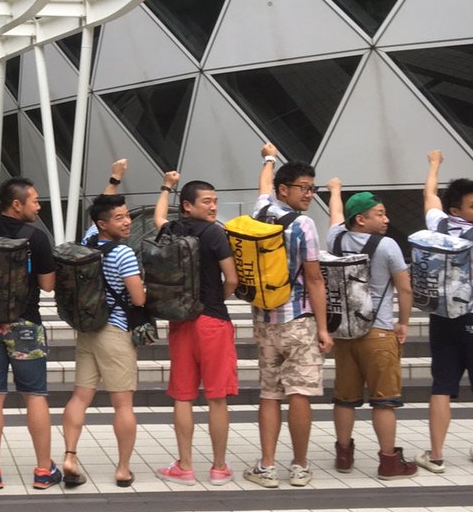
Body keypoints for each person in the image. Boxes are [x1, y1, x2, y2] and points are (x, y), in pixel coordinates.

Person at [0, 141, 61, 490]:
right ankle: (43, 471)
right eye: (34, 200)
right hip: (25, 324)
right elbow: (48, 286)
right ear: (17, 204)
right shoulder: (37, 238)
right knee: (35, 395)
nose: (38, 205)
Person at [243, 144, 333, 489]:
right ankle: (299, 466)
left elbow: (262, 185)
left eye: (312, 188)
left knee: (269, 394)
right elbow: (314, 279)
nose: (309, 194)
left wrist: (268, 157)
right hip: (298, 321)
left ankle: (266, 466)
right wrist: (323, 328)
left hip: (265, 321)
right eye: (304, 188)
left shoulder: (260, 212)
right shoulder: (303, 225)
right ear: (285, 190)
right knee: (299, 394)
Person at [416, 150, 473, 473]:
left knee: (442, 386)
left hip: (442, 317)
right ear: (457, 209)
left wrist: (433, 165)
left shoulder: (436, 223)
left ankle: (436, 455)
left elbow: (429, 194)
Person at [151, 170, 240, 486]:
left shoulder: (173, 230)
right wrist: (217, 298)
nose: (213, 206)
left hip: (181, 322)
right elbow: (232, 278)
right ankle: (219, 467)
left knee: (183, 396)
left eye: (215, 201)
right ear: (188, 205)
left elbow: (158, 217)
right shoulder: (215, 233)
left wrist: (166, 187)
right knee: (217, 397)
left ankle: (185, 467)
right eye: (207, 201)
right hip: (212, 322)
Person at [324, 181, 416, 479]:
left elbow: (335, 214)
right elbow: (405, 289)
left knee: (344, 398)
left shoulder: (335, 239)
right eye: (380, 214)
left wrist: (334, 190)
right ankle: (389, 462)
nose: (386, 219)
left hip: (344, 332)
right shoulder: (387, 246)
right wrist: (403, 323)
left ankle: (343, 455)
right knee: (384, 400)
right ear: (361, 219)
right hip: (378, 331)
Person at [61, 175, 146, 488]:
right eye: (119, 218)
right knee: (123, 404)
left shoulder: (86, 245)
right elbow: (138, 298)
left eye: (127, 216)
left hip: (88, 330)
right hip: (115, 332)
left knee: (80, 396)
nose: (127, 222)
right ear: (103, 224)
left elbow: (97, 210)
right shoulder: (123, 254)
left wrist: (113, 181)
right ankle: (123, 468)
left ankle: (70, 456)